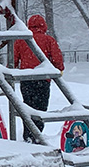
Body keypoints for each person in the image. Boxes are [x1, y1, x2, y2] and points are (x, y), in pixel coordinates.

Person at [14, 14, 65, 143]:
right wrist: (59, 69)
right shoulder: (48, 40)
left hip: (26, 79)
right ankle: (37, 134)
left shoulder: (21, 40)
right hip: (43, 79)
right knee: (41, 108)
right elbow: (57, 58)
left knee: (27, 107)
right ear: (44, 25)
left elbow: (13, 59)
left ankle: (28, 134)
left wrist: (14, 69)